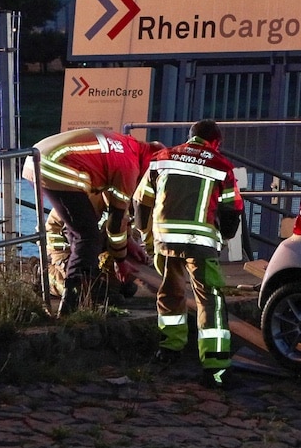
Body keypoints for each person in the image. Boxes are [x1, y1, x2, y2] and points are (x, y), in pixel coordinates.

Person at [133, 120, 244, 390]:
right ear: (215, 141)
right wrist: (226, 236)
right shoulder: (221, 165)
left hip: (165, 239)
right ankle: (215, 367)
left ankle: (169, 348)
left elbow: (140, 201)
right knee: (211, 300)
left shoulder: (162, 157)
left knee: (170, 293)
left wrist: (145, 233)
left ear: (190, 136)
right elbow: (232, 210)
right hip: (200, 243)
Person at [23, 128, 163, 318]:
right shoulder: (128, 168)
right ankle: (65, 297)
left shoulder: (123, 153)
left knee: (122, 287)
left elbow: (118, 220)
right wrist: (121, 260)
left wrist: (128, 242)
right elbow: (115, 222)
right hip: (54, 168)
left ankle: (84, 287)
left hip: (38, 158)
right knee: (87, 238)